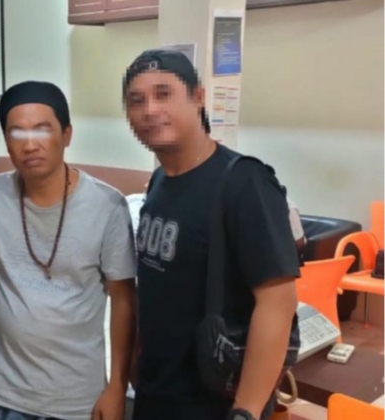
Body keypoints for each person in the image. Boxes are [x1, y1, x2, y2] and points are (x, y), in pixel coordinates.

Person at [123, 49, 300, 420]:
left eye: (164, 94)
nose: (150, 110)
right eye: (136, 101)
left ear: (198, 96)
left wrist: (246, 411)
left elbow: (277, 302)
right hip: (156, 395)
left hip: (216, 403)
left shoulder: (244, 182)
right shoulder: (159, 182)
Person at [0, 81, 137, 420]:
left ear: (67, 135)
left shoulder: (107, 206)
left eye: (42, 129)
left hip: (77, 401)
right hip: (1, 392)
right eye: (16, 132)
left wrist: (116, 387)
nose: (30, 144)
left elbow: (123, 299)